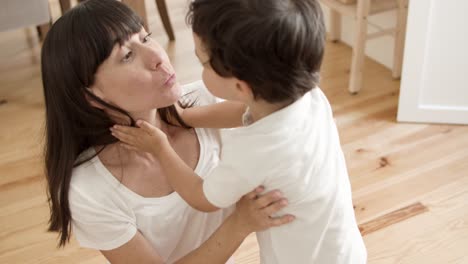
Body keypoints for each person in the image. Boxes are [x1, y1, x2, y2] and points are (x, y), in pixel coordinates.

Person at [111, 0, 368, 263]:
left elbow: (202, 197)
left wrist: (160, 148)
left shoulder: (254, 151)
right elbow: (244, 113)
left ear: (240, 86)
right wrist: (186, 116)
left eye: (204, 63)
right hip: (344, 249)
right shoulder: (309, 96)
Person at [40, 0, 295, 263]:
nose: (157, 57)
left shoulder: (207, 101)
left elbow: (281, 107)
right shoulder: (89, 188)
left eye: (146, 37)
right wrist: (240, 223)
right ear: (90, 96)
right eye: (127, 55)